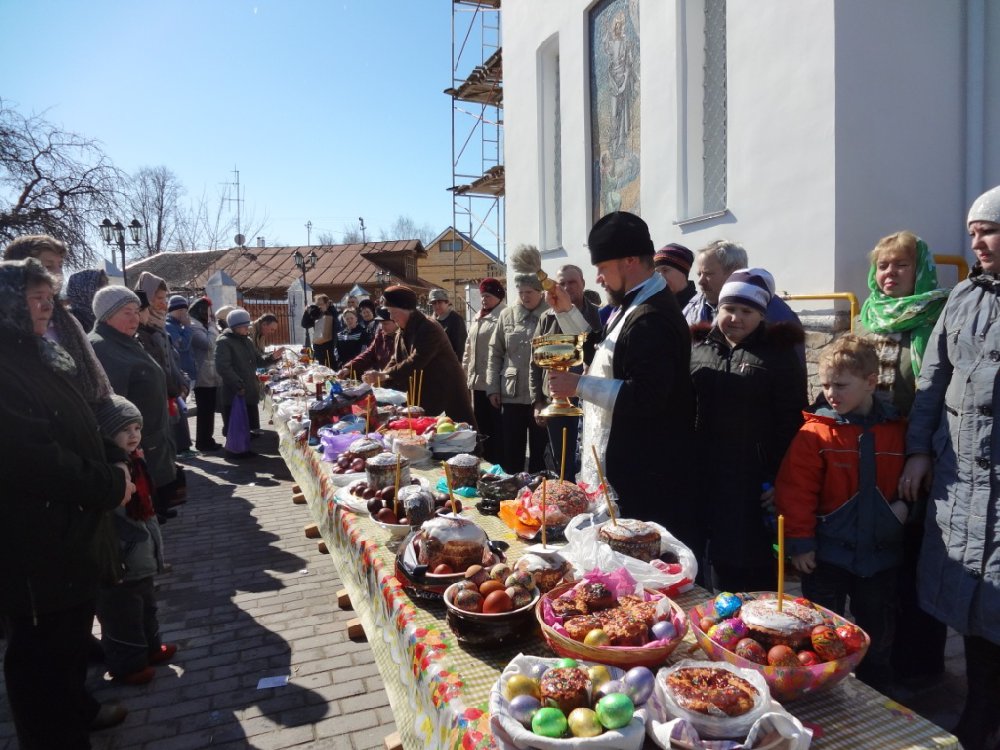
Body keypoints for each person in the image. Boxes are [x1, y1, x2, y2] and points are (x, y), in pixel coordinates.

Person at [0, 258, 131, 746]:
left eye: (48, 298)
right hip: (33, 544)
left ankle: (77, 711)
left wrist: (113, 457)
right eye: (35, 299)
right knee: (40, 657)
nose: (46, 309)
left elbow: (73, 421)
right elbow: (34, 459)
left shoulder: (36, 353)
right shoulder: (5, 366)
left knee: (70, 638)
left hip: (66, 533)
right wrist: (108, 483)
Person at [900, 184, 1000, 750]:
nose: (977, 243)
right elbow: (932, 380)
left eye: (989, 231)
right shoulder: (962, 297)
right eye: (973, 233)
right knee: (973, 602)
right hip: (961, 480)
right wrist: (919, 450)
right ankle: (980, 708)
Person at [546, 212, 697, 544]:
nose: (598, 279)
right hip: (631, 467)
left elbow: (647, 396)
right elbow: (604, 352)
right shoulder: (635, 303)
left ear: (629, 260)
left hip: (645, 475)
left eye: (602, 268)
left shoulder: (652, 317)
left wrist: (578, 386)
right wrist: (566, 312)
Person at [776, 336, 905, 692]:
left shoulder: (896, 430)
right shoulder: (815, 433)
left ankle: (877, 687)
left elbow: (911, 481)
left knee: (877, 628)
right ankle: (822, 685)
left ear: (870, 382)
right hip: (826, 554)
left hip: (880, 555)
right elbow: (795, 491)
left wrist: (906, 509)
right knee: (820, 628)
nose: (831, 393)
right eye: (826, 385)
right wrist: (800, 543)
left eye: (841, 385)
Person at [855, 230, 950, 681]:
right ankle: (877, 662)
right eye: (883, 266)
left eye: (901, 265)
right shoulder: (866, 319)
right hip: (870, 461)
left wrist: (922, 451)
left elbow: (941, 395)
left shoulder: (938, 319)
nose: (890, 273)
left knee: (915, 562)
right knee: (876, 567)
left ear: (920, 271)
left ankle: (918, 668)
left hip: (920, 461)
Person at [689, 268, 807, 591]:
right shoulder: (700, 348)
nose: (736, 318)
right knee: (709, 563)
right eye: (729, 309)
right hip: (706, 476)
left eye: (746, 311)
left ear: (761, 315)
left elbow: (792, 421)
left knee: (751, 570)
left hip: (754, 480)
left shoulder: (778, 354)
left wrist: (781, 477)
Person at [94, 395, 177, 685]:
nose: (133, 435)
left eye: (137, 428)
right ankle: (128, 665)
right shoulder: (108, 471)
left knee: (146, 607)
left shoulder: (135, 461)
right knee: (122, 616)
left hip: (141, 554)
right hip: (122, 559)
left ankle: (151, 648)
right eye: (125, 430)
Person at [90, 286, 180, 524]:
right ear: (107, 315)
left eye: (136, 311)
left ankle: (157, 512)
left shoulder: (126, 341)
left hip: (149, 437)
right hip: (133, 442)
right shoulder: (102, 348)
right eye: (126, 312)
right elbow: (111, 407)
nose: (135, 318)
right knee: (139, 516)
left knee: (153, 501)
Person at [3, 234, 113, 407]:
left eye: (60, 265)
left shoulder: (66, 319)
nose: (57, 273)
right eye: (48, 266)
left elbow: (96, 372)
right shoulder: (9, 328)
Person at [362, 285, 476, 426]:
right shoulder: (403, 329)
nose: (391, 317)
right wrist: (380, 378)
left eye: (392, 312)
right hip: (425, 393)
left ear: (405, 310)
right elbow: (396, 358)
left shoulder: (428, 327)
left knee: (455, 434)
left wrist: (385, 375)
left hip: (446, 392)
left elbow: (416, 360)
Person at [530, 265, 602, 477]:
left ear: (583, 284)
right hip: (556, 401)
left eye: (572, 282)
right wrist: (537, 401)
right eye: (562, 283)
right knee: (560, 462)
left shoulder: (598, 315)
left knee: (587, 459)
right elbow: (534, 362)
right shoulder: (546, 318)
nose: (567, 287)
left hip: (587, 401)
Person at [487, 268, 550, 474]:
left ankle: (538, 489)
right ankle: (511, 488)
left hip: (541, 395)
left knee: (540, 452)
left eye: (529, 292)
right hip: (511, 394)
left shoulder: (551, 315)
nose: (524, 297)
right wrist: (492, 388)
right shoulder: (507, 315)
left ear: (540, 292)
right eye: (521, 292)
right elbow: (495, 352)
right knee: (512, 451)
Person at [682, 240, 802, 328]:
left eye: (708, 274)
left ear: (735, 271)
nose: (700, 281)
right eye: (699, 274)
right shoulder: (692, 307)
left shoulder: (775, 314)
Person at [214, 308, 285, 448]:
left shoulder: (247, 340)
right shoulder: (224, 342)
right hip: (234, 391)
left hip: (248, 389)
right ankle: (235, 453)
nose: (248, 328)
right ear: (235, 326)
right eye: (245, 326)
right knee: (235, 426)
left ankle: (245, 449)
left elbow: (259, 361)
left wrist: (272, 357)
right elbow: (223, 368)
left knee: (247, 427)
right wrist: (238, 384)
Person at [463, 278, 507, 465]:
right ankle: (485, 460)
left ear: (498, 297)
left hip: (493, 382)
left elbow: (504, 351)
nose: (483, 300)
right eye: (482, 296)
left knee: (496, 427)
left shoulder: (503, 317)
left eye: (488, 296)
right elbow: (468, 348)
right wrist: (464, 371)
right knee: (481, 425)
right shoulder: (477, 317)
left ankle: (499, 463)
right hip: (477, 381)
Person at [188, 297, 223, 452]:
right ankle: (203, 442)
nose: (211, 315)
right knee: (205, 410)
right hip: (202, 375)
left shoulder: (203, 325)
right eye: (208, 311)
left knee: (209, 409)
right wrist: (212, 326)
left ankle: (207, 439)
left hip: (209, 373)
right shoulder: (194, 326)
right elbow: (209, 344)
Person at [338, 307, 398, 378]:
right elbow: (369, 353)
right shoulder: (381, 334)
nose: (382, 327)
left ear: (396, 322)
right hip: (384, 378)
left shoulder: (403, 336)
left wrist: (385, 375)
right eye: (380, 323)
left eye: (385, 323)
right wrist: (349, 368)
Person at [166, 295, 198, 386]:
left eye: (185, 310)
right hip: (181, 375)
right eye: (181, 310)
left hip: (188, 373)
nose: (184, 313)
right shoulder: (168, 326)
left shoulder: (180, 325)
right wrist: (187, 327)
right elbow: (182, 346)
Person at [65, 268, 109, 333]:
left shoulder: (103, 315)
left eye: (107, 284)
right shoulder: (70, 323)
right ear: (84, 289)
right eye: (101, 284)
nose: (106, 289)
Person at [654, 243, 696, 308]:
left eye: (665, 270)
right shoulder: (654, 306)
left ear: (682, 271)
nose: (660, 277)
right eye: (657, 272)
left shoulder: (702, 305)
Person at [429, 288, 468, 358]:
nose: (437, 306)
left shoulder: (456, 320)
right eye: (434, 303)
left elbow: (460, 348)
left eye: (440, 302)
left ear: (447, 302)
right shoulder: (430, 321)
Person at [311, 294, 339, 368]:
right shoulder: (316, 314)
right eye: (317, 304)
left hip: (329, 348)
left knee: (330, 369)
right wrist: (307, 312)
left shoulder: (332, 312)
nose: (319, 306)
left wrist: (327, 311)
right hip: (318, 347)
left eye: (321, 304)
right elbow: (305, 324)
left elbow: (337, 326)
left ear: (327, 304)